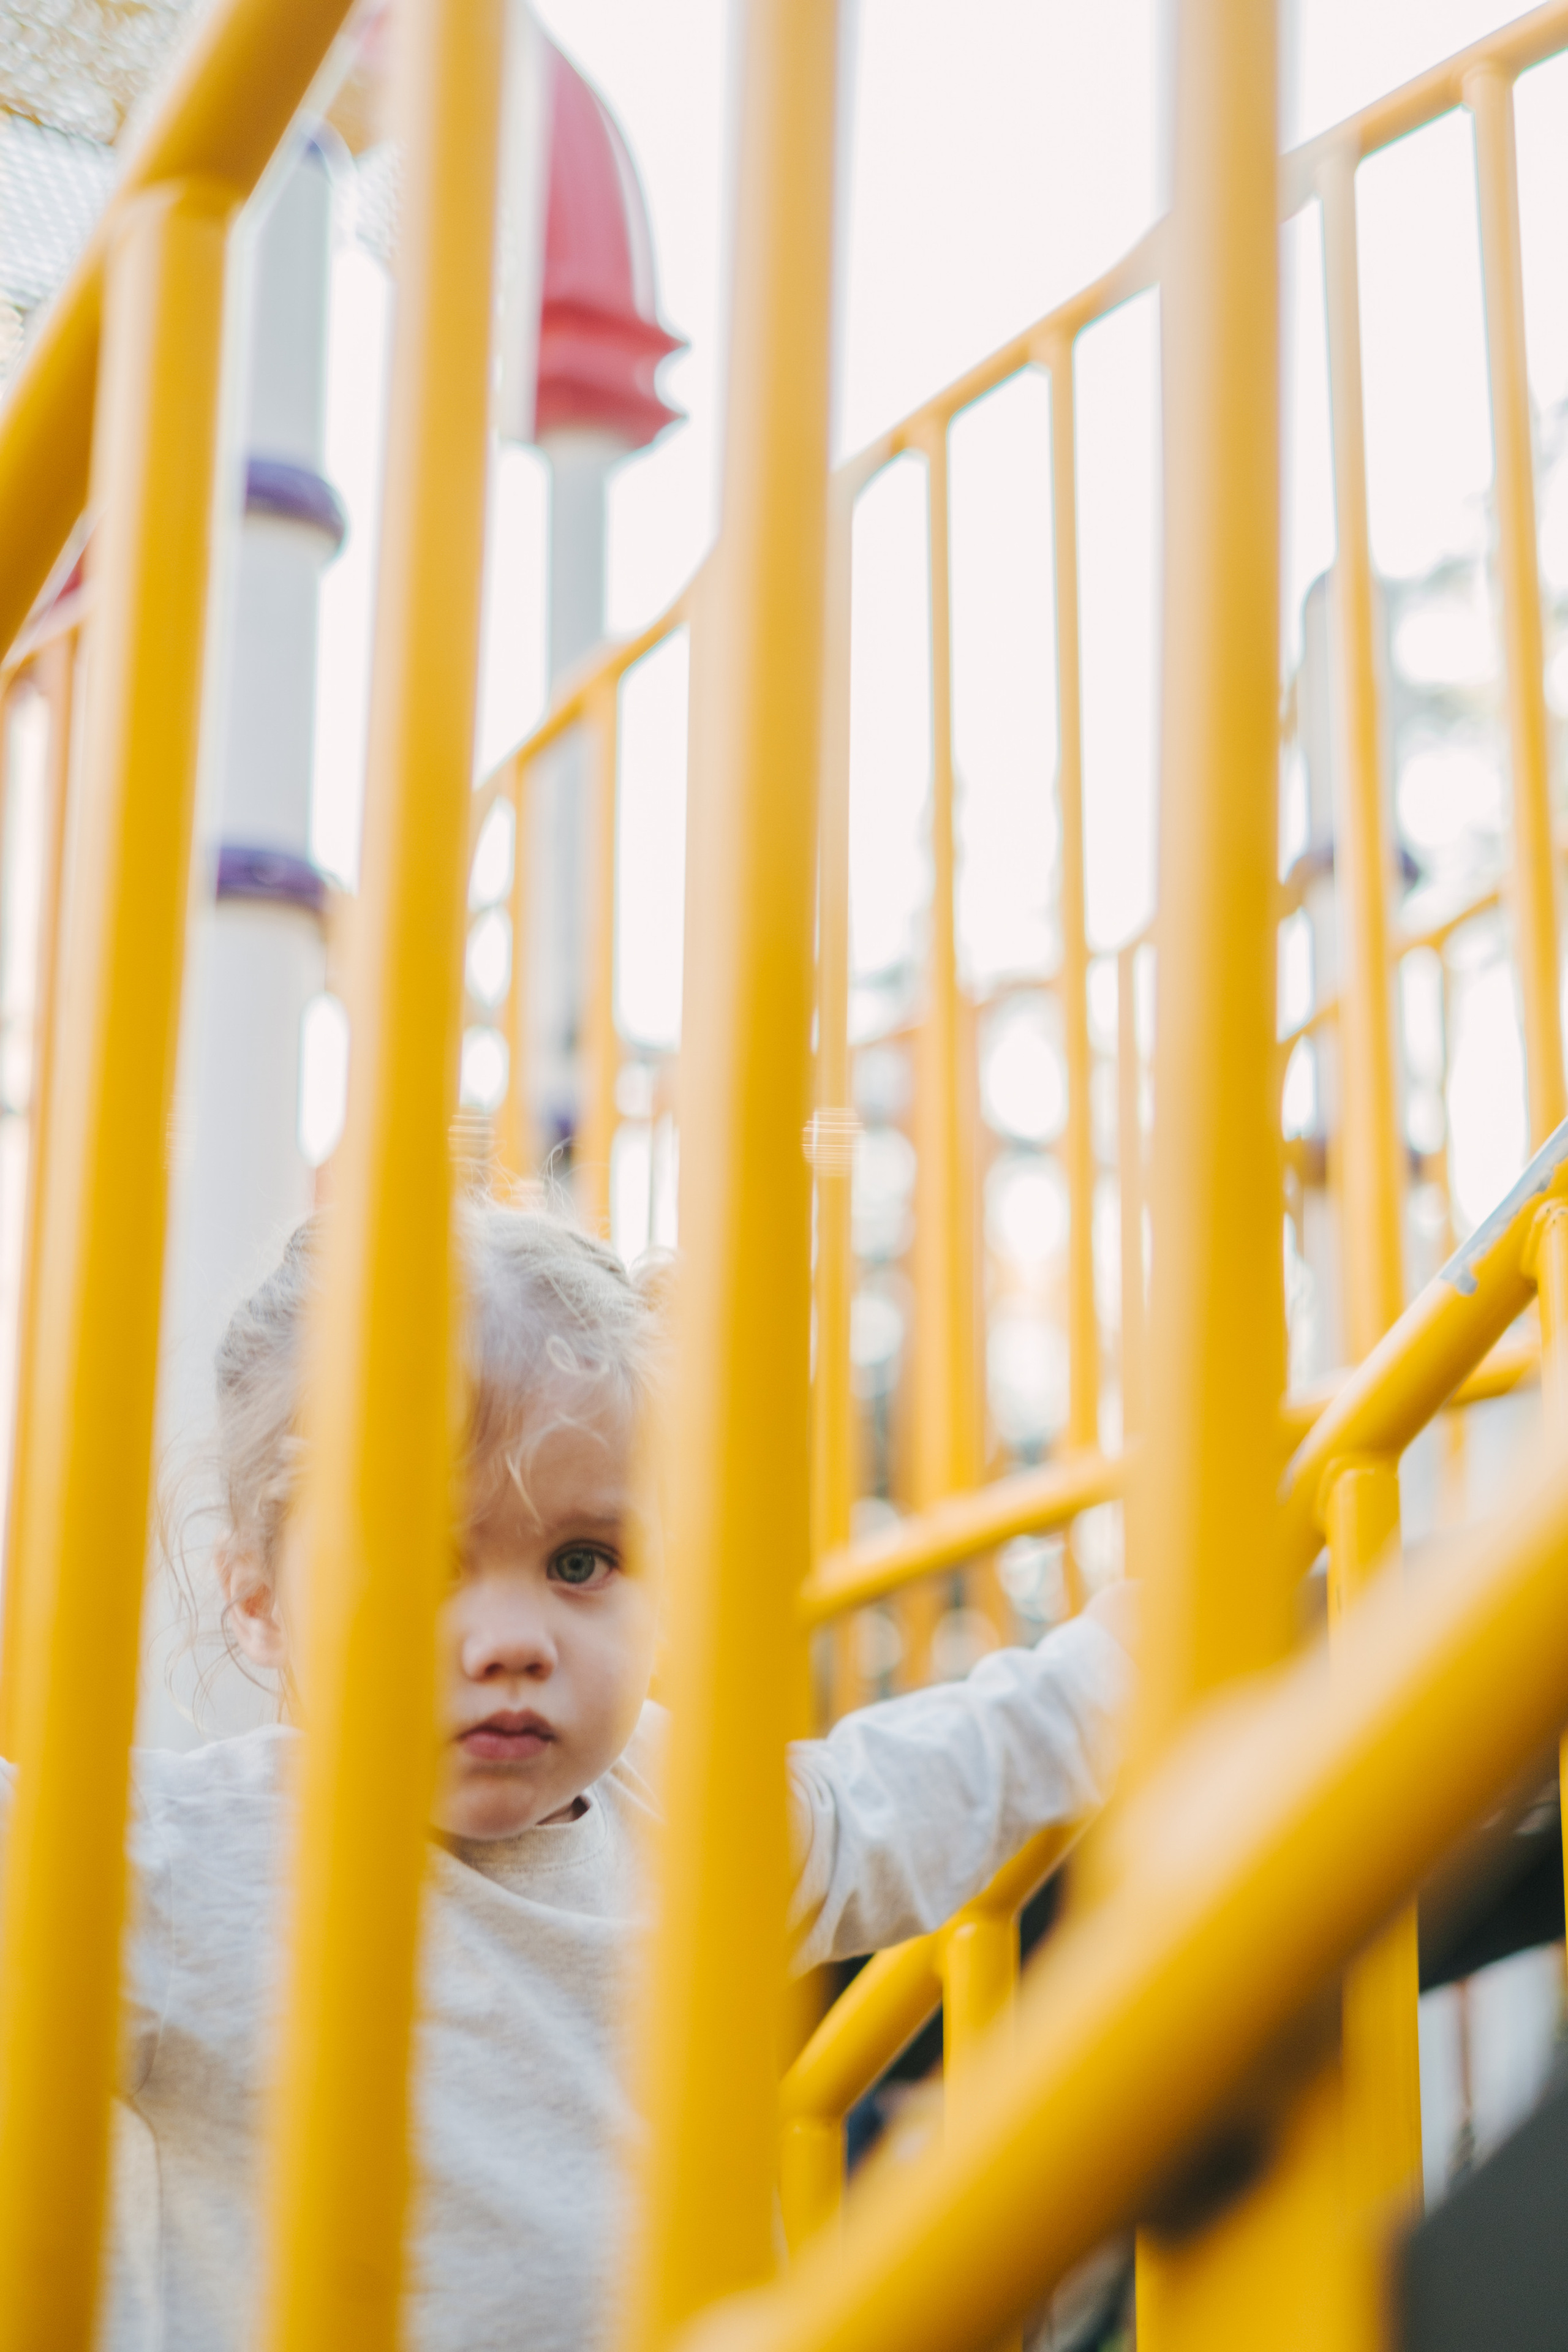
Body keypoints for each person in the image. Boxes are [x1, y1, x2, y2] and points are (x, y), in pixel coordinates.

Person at [83, 1196, 1133, 2351]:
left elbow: (919, 1790)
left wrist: (1136, 1649)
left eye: (582, 1561)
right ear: (260, 1604)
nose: (511, 1639)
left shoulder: (678, 1807)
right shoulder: (178, 1865)